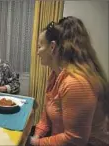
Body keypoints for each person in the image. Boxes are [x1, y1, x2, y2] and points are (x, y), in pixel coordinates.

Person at [27, 16, 109, 146]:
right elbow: (47, 114)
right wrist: (36, 135)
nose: (37, 52)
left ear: (52, 47)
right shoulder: (55, 74)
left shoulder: (75, 82)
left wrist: (34, 143)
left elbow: (75, 139)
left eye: (39, 46)